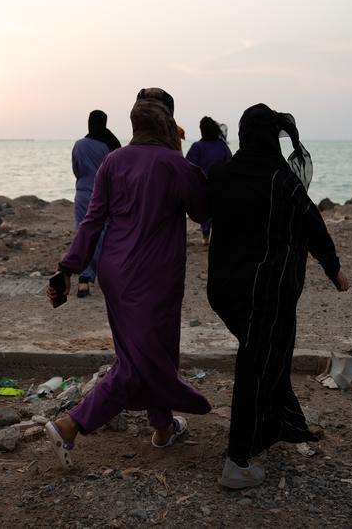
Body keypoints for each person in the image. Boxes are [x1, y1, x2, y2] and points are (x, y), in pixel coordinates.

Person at [44, 88, 211, 468]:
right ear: (169, 121)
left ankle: (163, 428)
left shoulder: (113, 161)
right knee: (139, 361)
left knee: (148, 351)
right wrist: (182, 157)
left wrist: (69, 267)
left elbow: (92, 221)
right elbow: (203, 211)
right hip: (155, 274)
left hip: (115, 272)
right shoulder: (175, 164)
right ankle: (71, 425)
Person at [206, 104, 349, 489]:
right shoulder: (281, 179)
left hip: (223, 292)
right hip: (265, 293)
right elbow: (312, 223)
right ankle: (237, 461)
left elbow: (199, 206)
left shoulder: (221, 174)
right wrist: (334, 269)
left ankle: (277, 426)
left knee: (263, 354)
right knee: (257, 362)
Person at [70, 110, 121, 297]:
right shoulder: (111, 145)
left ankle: (84, 279)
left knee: (83, 234)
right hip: (104, 195)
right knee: (105, 235)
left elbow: (76, 169)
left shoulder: (79, 145)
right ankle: (108, 276)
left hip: (83, 194)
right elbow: (116, 173)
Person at [185, 116, 232, 244]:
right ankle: (215, 236)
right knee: (218, 211)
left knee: (205, 210)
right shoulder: (222, 146)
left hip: (203, 185)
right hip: (220, 185)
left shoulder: (197, 146)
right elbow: (229, 162)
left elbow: (189, 166)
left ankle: (205, 237)